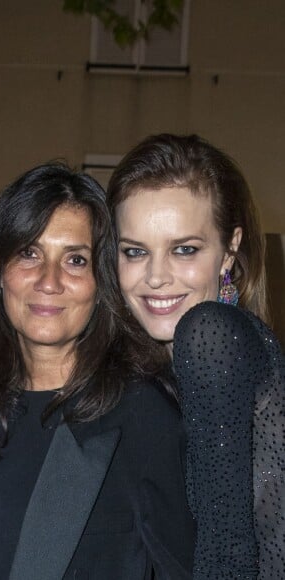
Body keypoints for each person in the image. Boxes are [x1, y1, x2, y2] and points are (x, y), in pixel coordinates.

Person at [0, 162, 195, 580]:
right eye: (29, 253)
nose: (48, 280)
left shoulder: (145, 416)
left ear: (101, 283)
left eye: (75, 259)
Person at [107, 133, 285, 579]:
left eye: (184, 249)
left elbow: (227, 556)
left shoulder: (210, 334)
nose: (156, 276)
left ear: (229, 250)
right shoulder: (178, 362)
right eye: (134, 251)